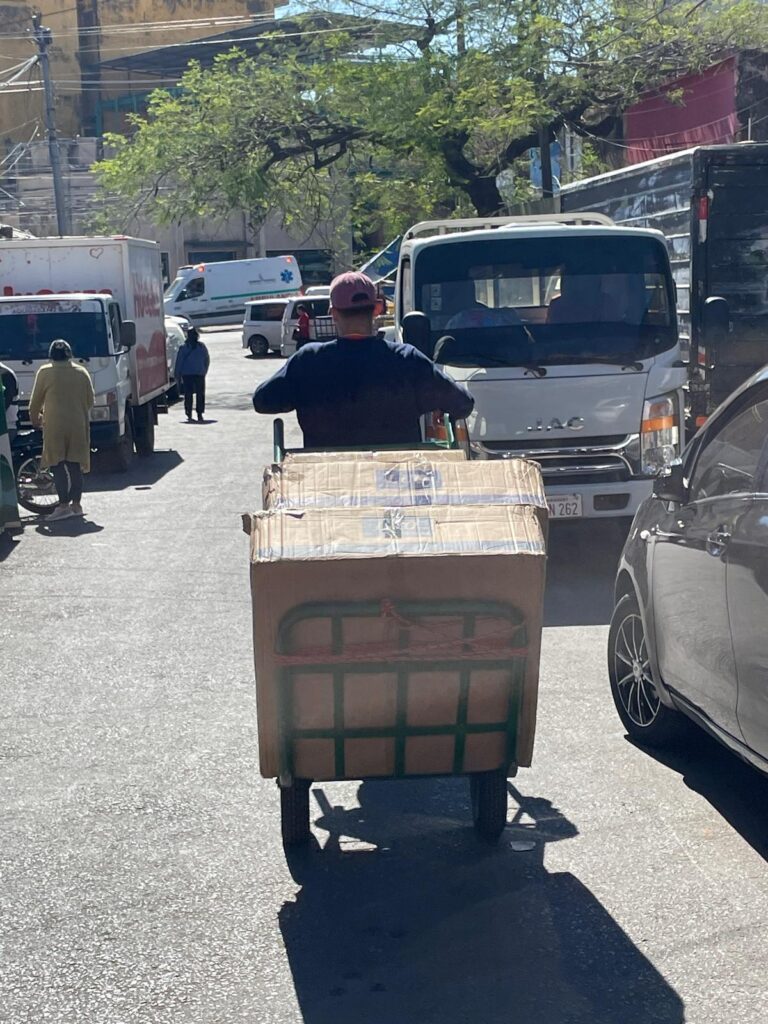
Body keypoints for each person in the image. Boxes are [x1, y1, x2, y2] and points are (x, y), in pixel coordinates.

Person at [252, 271, 474, 449]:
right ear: (377, 309)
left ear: (333, 312)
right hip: (395, 483)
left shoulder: (307, 361)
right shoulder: (408, 360)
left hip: (326, 482)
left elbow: (263, 401)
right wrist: (436, 405)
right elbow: (463, 404)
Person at [28, 339, 94, 521]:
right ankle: (76, 505)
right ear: (70, 355)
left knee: (57, 464)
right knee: (75, 465)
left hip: (54, 426)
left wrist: (36, 419)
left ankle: (63, 505)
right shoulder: (81, 372)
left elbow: (34, 403)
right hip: (78, 425)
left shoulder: (45, 372)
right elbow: (90, 401)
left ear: (51, 356)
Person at [175, 326, 210, 423]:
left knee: (189, 395)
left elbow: (179, 363)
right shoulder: (201, 347)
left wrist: (177, 375)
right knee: (199, 395)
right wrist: (204, 370)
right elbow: (207, 360)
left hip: (188, 375)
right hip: (198, 374)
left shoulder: (184, 348)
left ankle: (189, 412)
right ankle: (199, 413)